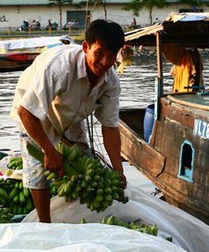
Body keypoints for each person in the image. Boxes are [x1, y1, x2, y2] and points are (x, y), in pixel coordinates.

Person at [10, 19, 126, 223]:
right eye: (99, 53)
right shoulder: (59, 69)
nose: (105, 62)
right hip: (35, 113)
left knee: (83, 161)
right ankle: (46, 226)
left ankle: (77, 218)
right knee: (39, 172)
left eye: (111, 56)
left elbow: (109, 127)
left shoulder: (111, 81)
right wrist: (49, 150)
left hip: (72, 113)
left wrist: (118, 170)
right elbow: (26, 112)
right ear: (85, 48)